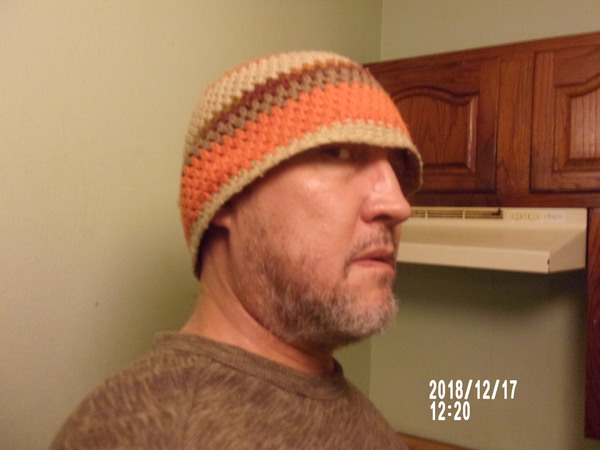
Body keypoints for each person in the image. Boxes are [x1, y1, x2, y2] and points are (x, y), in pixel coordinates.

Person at [51, 50, 422, 449]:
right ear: (225, 198)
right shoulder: (145, 433)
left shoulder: (349, 409)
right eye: (338, 152)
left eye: (396, 168)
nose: (399, 205)